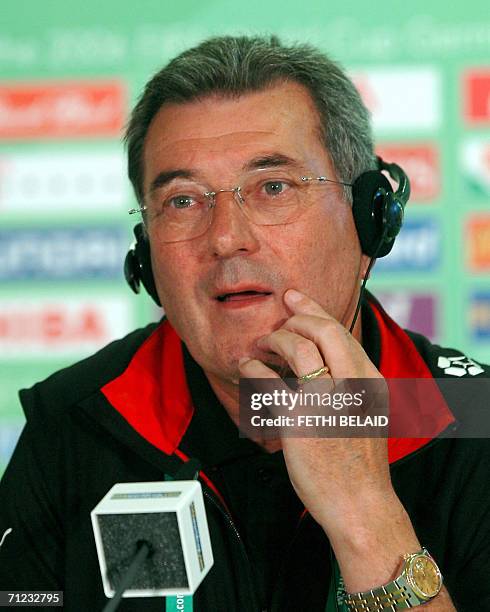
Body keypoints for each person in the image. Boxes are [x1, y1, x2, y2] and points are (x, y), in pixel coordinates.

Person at [0, 35, 489, 612]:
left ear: (368, 222)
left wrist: (367, 520)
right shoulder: (76, 425)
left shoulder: (472, 420)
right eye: (184, 200)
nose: (226, 237)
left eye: (273, 188)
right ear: (147, 251)